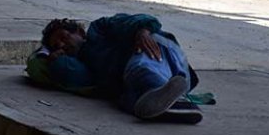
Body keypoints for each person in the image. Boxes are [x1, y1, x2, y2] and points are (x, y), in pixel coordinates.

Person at [37, 14, 203, 123]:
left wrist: (142, 32)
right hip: (144, 80)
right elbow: (77, 77)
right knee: (128, 99)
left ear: (79, 32)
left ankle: (160, 92)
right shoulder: (84, 64)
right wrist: (55, 60)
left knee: (139, 64)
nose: (61, 44)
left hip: (163, 55)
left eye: (63, 37)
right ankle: (176, 107)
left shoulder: (99, 28)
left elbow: (139, 19)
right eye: (56, 46)